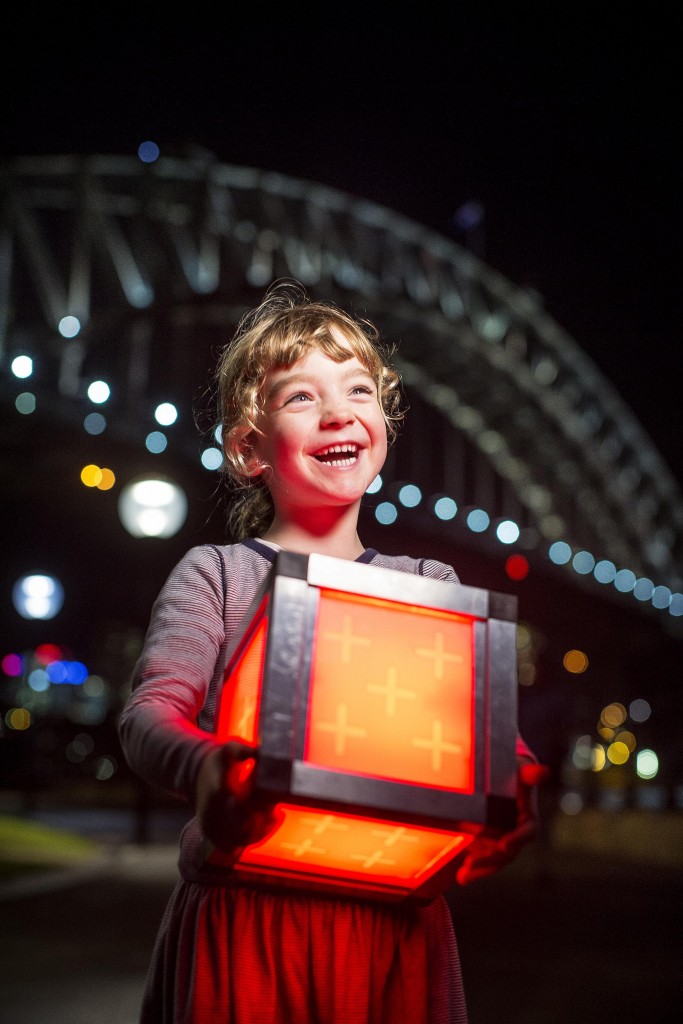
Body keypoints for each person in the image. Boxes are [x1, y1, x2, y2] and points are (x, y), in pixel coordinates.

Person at [118, 279, 544, 1024]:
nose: (339, 411)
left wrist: (513, 779)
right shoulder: (216, 574)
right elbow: (150, 713)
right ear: (249, 449)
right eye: (300, 398)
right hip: (249, 919)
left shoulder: (428, 584)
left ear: (382, 423)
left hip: (392, 926)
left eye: (357, 390)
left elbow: (477, 739)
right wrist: (204, 765)